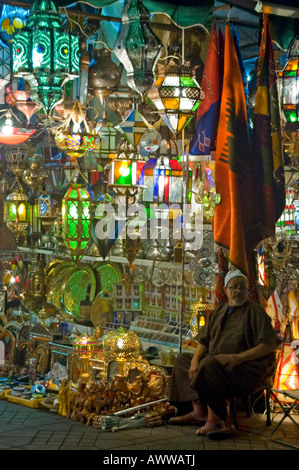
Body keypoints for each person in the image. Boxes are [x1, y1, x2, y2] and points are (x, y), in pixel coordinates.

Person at [168, 269, 279, 437]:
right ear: (226, 290)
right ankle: (200, 412)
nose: (238, 291)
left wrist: (237, 358)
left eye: (242, 287)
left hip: (246, 368)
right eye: (234, 287)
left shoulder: (254, 311)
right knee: (183, 360)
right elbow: (203, 342)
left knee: (209, 364)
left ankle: (217, 420)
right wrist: (194, 360)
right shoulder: (218, 311)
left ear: (247, 290)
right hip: (216, 362)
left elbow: (269, 345)